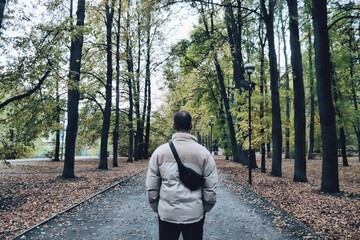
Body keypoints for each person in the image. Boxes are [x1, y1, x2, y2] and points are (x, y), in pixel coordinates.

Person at [146, 110, 218, 240]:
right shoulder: (204, 153)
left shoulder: (159, 152)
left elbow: (151, 187)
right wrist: (204, 209)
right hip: (194, 214)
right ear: (191, 126)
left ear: (173, 126)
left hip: (167, 214)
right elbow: (211, 188)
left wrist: (158, 208)